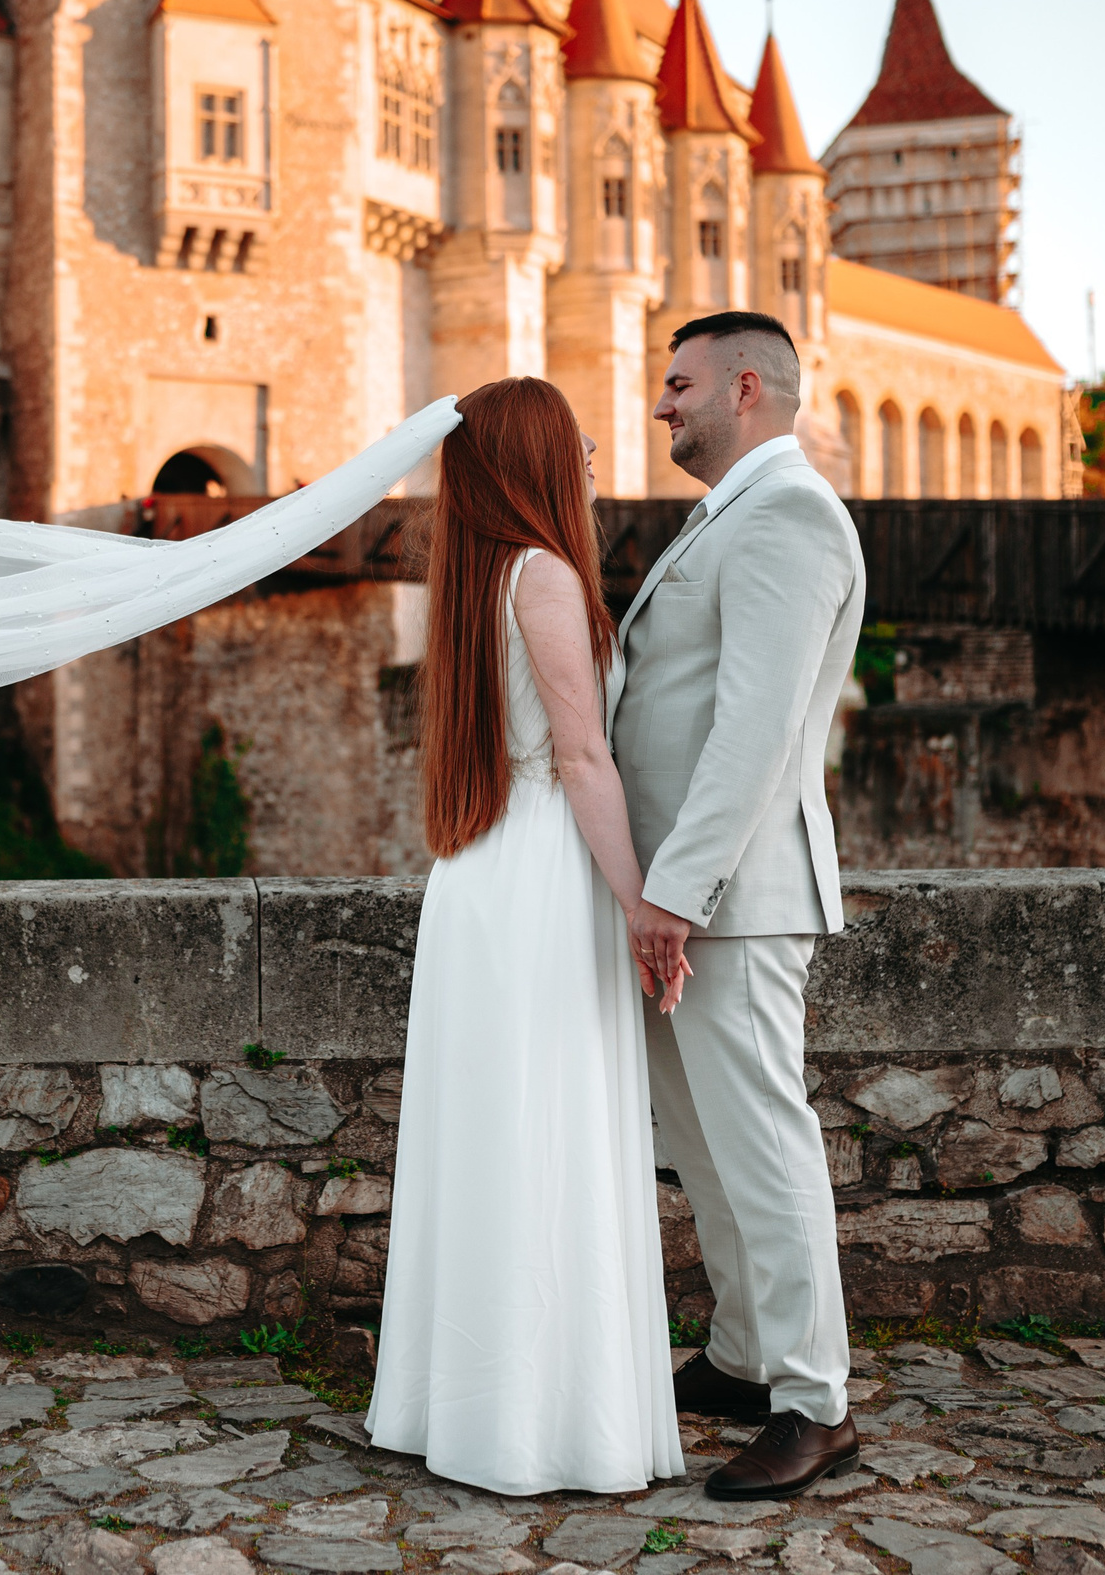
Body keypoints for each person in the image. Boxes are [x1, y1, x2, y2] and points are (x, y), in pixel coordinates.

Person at [366, 377, 684, 1496]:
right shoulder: (544, 574)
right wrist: (644, 903)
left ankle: (471, 1405)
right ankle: (545, 1418)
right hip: (544, 874)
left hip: (484, 872)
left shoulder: (478, 577)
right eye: (572, 437)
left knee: (495, 1136)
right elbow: (584, 758)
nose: (592, 451)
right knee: (548, 1126)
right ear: (531, 459)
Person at [614, 311, 867, 1500]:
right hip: (684, 895)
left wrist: (675, 890)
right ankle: (742, 1350)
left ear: (746, 387)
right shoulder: (732, 512)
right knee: (703, 1141)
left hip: (733, 895)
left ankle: (815, 1402)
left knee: (762, 1141)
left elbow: (755, 728)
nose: (662, 404)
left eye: (679, 383)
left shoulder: (788, 515)